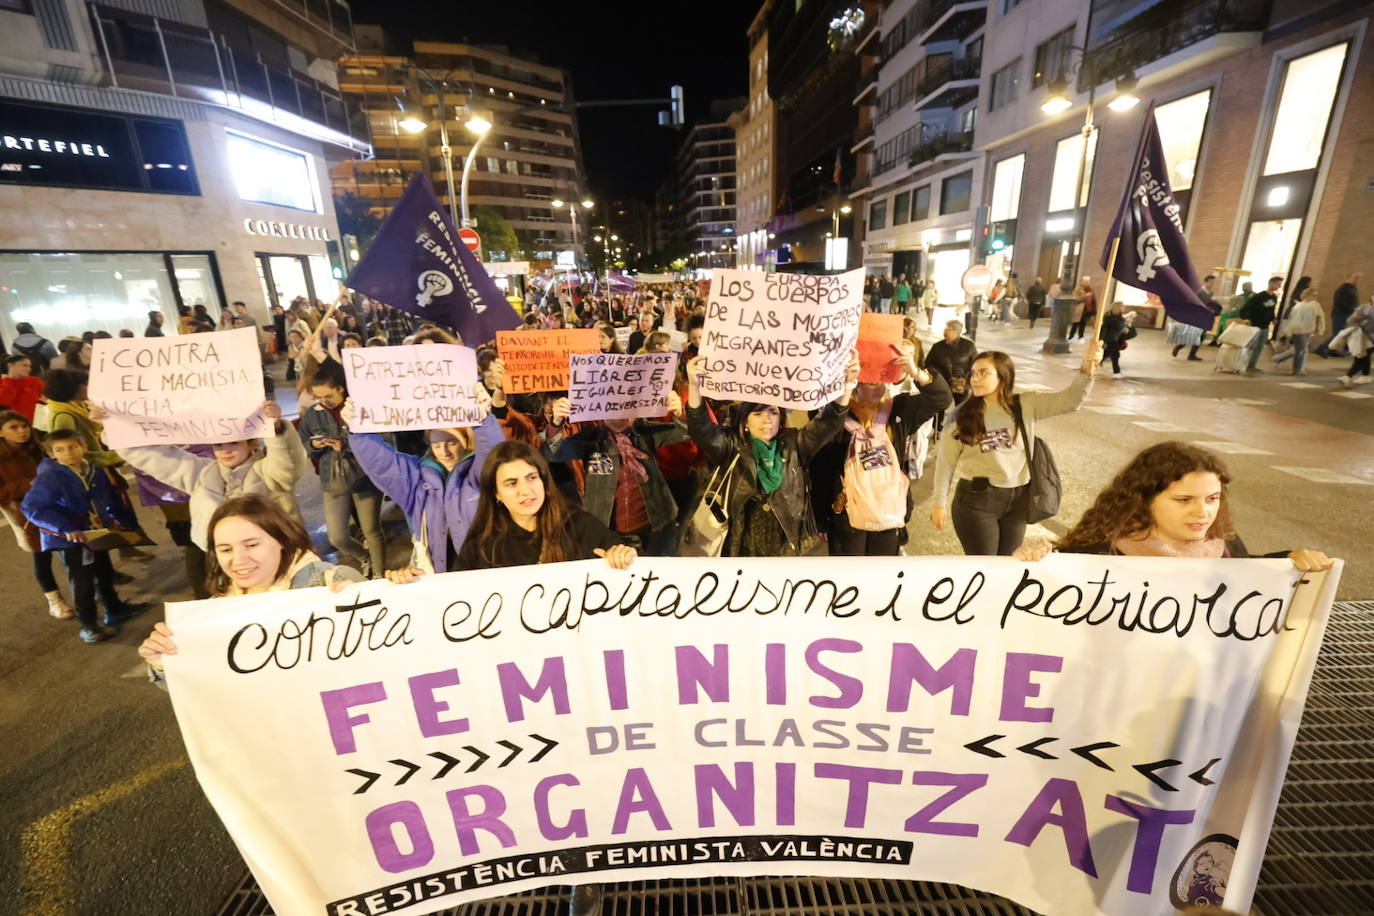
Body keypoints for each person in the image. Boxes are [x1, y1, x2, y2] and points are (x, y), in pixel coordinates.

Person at [1014, 442, 1333, 572]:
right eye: (1184, 500)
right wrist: (1024, 566)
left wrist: (1288, 561)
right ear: (1144, 499)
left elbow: (1247, 576)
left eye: (1212, 499)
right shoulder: (1098, 552)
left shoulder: (1223, 546)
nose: (1203, 513)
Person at [138, 495, 366, 676]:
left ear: (281, 541)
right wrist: (162, 661)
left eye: (251, 544)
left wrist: (396, 592)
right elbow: (202, 691)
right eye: (225, 549)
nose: (238, 560)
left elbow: (386, 654)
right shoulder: (211, 615)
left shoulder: (333, 583)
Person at [930, 341, 1102, 556]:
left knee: (1011, 564)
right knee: (986, 568)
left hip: (1018, 500)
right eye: (973, 373)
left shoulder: (1025, 404)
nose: (975, 379)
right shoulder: (960, 415)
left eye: (983, 373)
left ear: (1003, 376)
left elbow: (1071, 401)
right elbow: (946, 462)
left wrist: (1087, 368)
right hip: (977, 501)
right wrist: (939, 503)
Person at [684, 352, 859, 557]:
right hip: (741, 547)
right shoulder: (732, 446)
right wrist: (694, 387)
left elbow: (827, 424)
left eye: (773, 412)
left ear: (781, 419)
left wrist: (846, 385)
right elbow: (702, 429)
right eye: (757, 413)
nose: (766, 420)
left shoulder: (794, 445)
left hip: (787, 546)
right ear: (745, 423)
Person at [345, 379, 504, 574]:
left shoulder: (477, 473)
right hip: (438, 573)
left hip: (485, 572)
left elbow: (493, 455)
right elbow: (381, 463)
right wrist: (358, 429)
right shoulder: (417, 480)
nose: (444, 452)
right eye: (436, 445)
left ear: (467, 440)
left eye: (451, 443)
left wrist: (484, 421)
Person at [814, 351, 952, 556]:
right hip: (846, 511)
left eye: (881, 380)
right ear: (855, 384)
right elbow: (820, 468)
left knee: (882, 573)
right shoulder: (835, 415)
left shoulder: (898, 409)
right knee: (848, 574)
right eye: (869, 381)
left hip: (888, 509)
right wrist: (820, 519)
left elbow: (941, 399)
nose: (877, 384)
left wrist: (915, 372)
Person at [21, 429, 150, 643]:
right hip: (72, 539)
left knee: (104, 571)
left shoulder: (94, 470)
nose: (68, 453)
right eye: (60, 449)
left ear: (84, 447)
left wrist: (126, 523)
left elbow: (111, 498)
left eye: (73, 446)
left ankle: (114, 608)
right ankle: (89, 625)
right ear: (51, 454)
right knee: (82, 581)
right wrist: (65, 528)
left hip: (97, 533)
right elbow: (33, 507)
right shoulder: (50, 476)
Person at [442, 441, 637, 571]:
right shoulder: (482, 546)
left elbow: (641, 569)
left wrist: (626, 556)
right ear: (496, 493)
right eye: (511, 483)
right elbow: (454, 597)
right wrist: (415, 584)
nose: (525, 491)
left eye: (531, 478)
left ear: (544, 480)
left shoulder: (580, 525)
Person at [543, 390, 688, 553]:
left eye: (625, 407)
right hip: (607, 530)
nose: (618, 415)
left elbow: (685, 433)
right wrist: (556, 423)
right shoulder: (591, 439)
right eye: (611, 407)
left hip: (654, 527)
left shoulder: (645, 433)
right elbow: (553, 453)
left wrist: (681, 414)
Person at [299, 360, 385, 576]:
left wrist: (345, 445)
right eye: (318, 397)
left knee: (371, 531)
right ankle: (364, 557)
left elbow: (379, 439)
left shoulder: (359, 408)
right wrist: (314, 444)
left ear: (341, 389)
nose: (324, 402)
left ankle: (380, 574)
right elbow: (304, 440)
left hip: (363, 476)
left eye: (328, 396)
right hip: (333, 479)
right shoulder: (313, 413)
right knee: (337, 537)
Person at [0, 410, 73, 618]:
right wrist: (28, 485)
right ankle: (55, 600)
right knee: (41, 555)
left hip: (55, 505)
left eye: (24, 426)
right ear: (1, 433)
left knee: (71, 547)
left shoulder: (36, 450)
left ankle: (93, 586)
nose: (22, 431)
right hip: (24, 513)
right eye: (13, 427)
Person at [925, 320, 978, 416]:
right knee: (939, 407)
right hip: (942, 382)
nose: (945, 332)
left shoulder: (968, 345)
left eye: (948, 330)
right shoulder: (937, 346)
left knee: (961, 408)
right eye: (945, 329)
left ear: (956, 332)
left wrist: (966, 378)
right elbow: (928, 364)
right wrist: (937, 376)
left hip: (961, 383)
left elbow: (975, 364)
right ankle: (937, 428)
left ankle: (961, 427)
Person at [1273, 287, 1326, 375]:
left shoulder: (1315, 305)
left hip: (1308, 330)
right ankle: (1297, 369)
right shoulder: (1299, 305)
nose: (1315, 297)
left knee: (1299, 349)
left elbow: (1320, 318)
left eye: (1316, 295)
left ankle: (1278, 358)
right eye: (1313, 295)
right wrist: (1289, 330)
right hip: (1298, 330)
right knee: (1302, 350)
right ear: (1307, 295)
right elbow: (1293, 319)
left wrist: (1320, 329)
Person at [1239, 276, 1282, 372]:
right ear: (1271, 283)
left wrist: (1273, 319)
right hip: (1255, 325)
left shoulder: (1274, 297)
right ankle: (1241, 363)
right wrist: (1246, 319)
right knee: (1251, 346)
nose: (1279, 287)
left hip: (1265, 326)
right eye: (1278, 284)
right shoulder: (1258, 297)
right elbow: (1245, 308)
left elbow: (1271, 310)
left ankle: (1252, 365)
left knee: (1259, 347)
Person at [1317, 272, 1361, 358]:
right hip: (1340, 315)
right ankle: (1321, 348)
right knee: (1338, 333)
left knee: (1343, 334)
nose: (1357, 280)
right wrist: (1351, 309)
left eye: (1358, 279)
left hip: (1348, 315)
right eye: (1355, 278)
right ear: (1348, 278)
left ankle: (1332, 350)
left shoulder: (1352, 288)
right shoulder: (1343, 288)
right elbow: (1340, 301)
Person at [1334, 298, 1374, 388]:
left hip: (1371, 338)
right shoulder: (1365, 307)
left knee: (1361, 356)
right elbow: (1353, 318)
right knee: (1363, 356)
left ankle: (1347, 376)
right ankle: (1365, 376)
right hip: (1362, 336)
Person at [0, 355, 44, 423]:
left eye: (29, 366)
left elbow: (46, 400)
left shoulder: (35, 381)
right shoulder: (3, 382)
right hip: (17, 423)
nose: (29, 369)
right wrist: (7, 380)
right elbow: (5, 401)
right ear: (10, 365)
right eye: (25, 365)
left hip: (39, 422)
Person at [1099, 303, 1136, 376]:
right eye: (1122, 307)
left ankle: (1096, 363)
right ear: (1119, 308)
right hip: (1111, 339)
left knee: (1107, 353)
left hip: (1115, 338)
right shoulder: (1111, 318)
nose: (1123, 309)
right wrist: (1125, 322)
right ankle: (1116, 372)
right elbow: (1117, 328)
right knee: (1115, 355)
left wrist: (1127, 322)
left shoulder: (1116, 317)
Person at [1068, 276, 1096, 341]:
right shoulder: (1078, 289)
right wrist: (1085, 296)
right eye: (1085, 281)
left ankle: (1081, 337)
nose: (1087, 283)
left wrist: (1094, 310)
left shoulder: (1090, 289)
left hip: (1087, 310)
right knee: (1075, 324)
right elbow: (1074, 298)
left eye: (1088, 281)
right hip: (1079, 309)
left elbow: (1093, 300)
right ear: (1082, 281)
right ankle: (1071, 337)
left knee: (1083, 324)